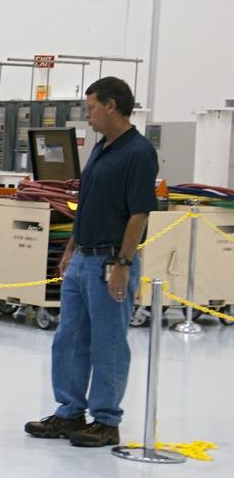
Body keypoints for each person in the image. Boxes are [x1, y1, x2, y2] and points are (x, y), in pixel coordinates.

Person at [25, 77, 157, 448]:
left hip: (109, 262)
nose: (89, 115)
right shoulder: (102, 148)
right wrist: (71, 247)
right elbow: (88, 204)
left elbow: (139, 214)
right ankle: (69, 411)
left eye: (92, 108)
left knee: (108, 342)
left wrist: (123, 262)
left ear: (112, 105)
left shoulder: (138, 153)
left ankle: (106, 419)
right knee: (69, 338)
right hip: (83, 258)